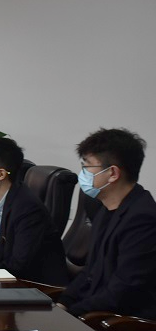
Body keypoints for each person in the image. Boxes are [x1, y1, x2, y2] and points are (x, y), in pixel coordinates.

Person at [58, 128, 156, 319]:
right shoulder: (105, 208)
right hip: (94, 311)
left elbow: (123, 291)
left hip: (122, 324)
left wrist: (72, 314)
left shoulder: (143, 219)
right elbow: (90, 271)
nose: (83, 174)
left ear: (112, 173)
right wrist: (63, 303)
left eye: (87, 167)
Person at [0, 138, 69, 286]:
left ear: (1, 174)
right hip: (6, 281)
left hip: (36, 287)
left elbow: (18, 266)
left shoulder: (27, 209)